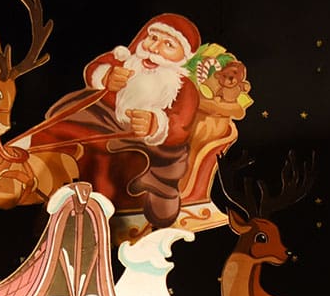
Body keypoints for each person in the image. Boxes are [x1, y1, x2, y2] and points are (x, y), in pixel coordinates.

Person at [10, 13, 203, 228]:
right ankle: (20, 158)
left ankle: (99, 210)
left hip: (147, 143)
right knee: (63, 129)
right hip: (102, 118)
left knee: (105, 158)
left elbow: (180, 124)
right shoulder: (125, 60)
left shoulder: (183, 87)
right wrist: (106, 77)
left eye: (169, 45)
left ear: (183, 56)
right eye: (153, 38)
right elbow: (95, 68)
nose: (155, 48)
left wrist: (155, 124)